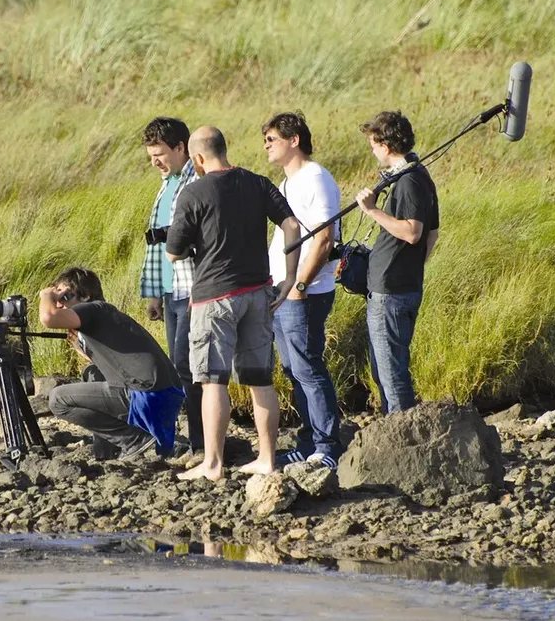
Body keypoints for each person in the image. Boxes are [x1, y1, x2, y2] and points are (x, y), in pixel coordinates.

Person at [166, 126, 303, 482]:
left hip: (214, 297)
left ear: (197, 157)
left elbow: (173, 252)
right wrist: (289, 278)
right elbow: (291, 225)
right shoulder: (257, 183)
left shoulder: (193, 192)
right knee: (260, 379)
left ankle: (213, 463)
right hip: (258, 292)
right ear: (224, 148)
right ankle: (267, 458)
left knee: (213, 381)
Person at [263, 112, 344, 470]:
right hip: (281, 291)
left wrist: (299, 285)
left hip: (305, 293)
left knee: (308, 367)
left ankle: (326, 446)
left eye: (272, 138)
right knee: (293, 368)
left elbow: (325, 238)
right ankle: (308, 440)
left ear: (294, 139)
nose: (266, 144)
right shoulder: (285, 184)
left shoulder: (316, 178)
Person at [38, 267, 185, 461]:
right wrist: (86, 351)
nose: (59, 303)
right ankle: (106, 453)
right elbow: (118, 361)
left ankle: (135, 441)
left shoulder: (92, 309)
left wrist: (46, 295)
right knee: (92, 373)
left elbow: (48, 318)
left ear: (86, 296)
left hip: (147, 394)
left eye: (64, 296)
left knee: (58, 399)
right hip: (166, 394)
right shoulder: (105, 315)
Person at [354, 111, 439, 414]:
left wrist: (372, 210)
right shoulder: (417, 176)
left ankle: (402, 439)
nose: (372, 150)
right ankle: (399, 433)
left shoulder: (410, 180)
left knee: (392, 375)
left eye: (373, 145)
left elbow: (415, 232)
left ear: (385, 145)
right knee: (386, 371)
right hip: (399, 286)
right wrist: (412, 268)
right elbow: (433, 234)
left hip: (392, 292)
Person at [140, 116, 204, 457]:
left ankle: (201, 442)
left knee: (188, 366)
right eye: (151, 155)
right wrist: (154, 292)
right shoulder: (167, 184)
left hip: (194, 286)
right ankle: (193, 440)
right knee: (178, 367)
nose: (155, 162)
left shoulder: (196, 181)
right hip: (171, 289)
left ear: (181, 147)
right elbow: (156, 241)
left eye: (160, 154)